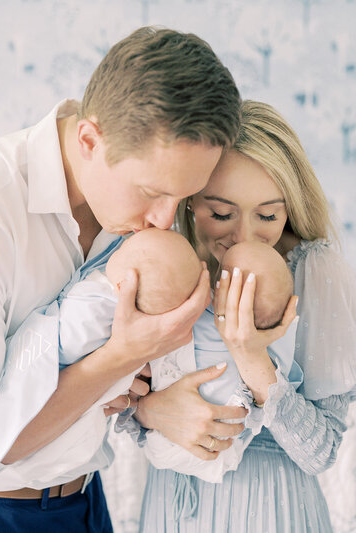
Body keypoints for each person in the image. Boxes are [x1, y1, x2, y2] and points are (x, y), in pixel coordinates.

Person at [0, 26, 242, 532]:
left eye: (183, 198)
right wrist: (122, 357)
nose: (163, 219)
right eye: (153, 192)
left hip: (89, 499)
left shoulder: (138, 208)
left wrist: (148, 402)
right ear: (89, 140)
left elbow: (115, 393)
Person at [136, 100, 356, 532]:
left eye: (268, 215)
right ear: (190, 201)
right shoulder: (168, 262)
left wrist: (253, 358)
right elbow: (121, 395)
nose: (245, 237)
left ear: (289, 207)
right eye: (221, 214)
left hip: (268, 508)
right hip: (171, 502)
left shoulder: (313, 270)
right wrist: (150, 412)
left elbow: (323, 450)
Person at [0, 228, 203, 489]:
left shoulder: (97, 304)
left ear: (124, 285)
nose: (114, 253)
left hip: (76, 479)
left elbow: (66, 343)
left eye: (124, 252)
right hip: (13, 489)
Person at [144, 240, 302, 483]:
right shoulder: (183, 280)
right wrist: (145, 409)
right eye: (222, 213)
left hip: (219, 449)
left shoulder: (274, 346)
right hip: (174, 437)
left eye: (267, 215)